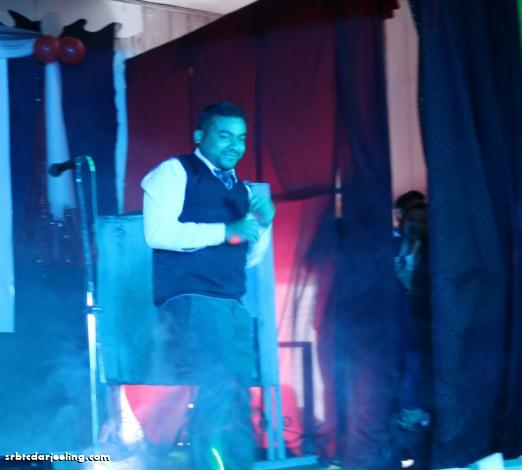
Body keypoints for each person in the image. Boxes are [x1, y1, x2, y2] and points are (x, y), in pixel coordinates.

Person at [141, 101, 275, 469]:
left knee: (236, 392)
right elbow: (158, 232)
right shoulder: (175, 170)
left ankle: (236, 464)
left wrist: (262, 225)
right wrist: (226, 231)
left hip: (230, 301)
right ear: (200, 136)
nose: (235, 145)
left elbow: (248, 257)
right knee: (219, 389)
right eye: (225, 136)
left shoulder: (243, 191)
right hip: (193, 297)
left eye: (241, 138)